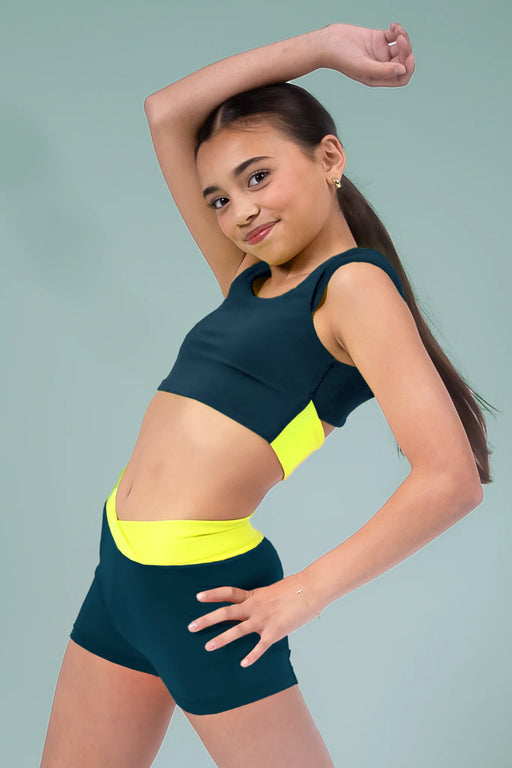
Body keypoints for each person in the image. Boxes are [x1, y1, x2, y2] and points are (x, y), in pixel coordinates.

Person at [40, 21, 493, 768]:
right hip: (120, 576)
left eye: (258, 177)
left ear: (330, 158)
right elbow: (165, 112)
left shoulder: (352, 288)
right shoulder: (245, 278)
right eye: (219, 198)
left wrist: (303, 594)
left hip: (202, 598)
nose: (239, 212)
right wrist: (322, 48)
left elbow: (449, 480)